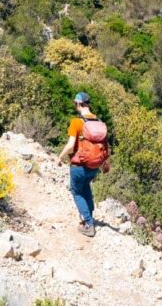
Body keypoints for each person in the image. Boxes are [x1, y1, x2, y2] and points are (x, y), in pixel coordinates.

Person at [57, 92, 110, 237]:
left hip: (79, 165)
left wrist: (60, 157)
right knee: (85, 187)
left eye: (75, 103)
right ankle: (90, 216)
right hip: (94, 165)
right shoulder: (99, 122)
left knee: (76, 191)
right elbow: (105, 146)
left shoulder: (76, 122)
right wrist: (105, 164)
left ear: (79, 104)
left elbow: (70, 145)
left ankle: (88, 223)